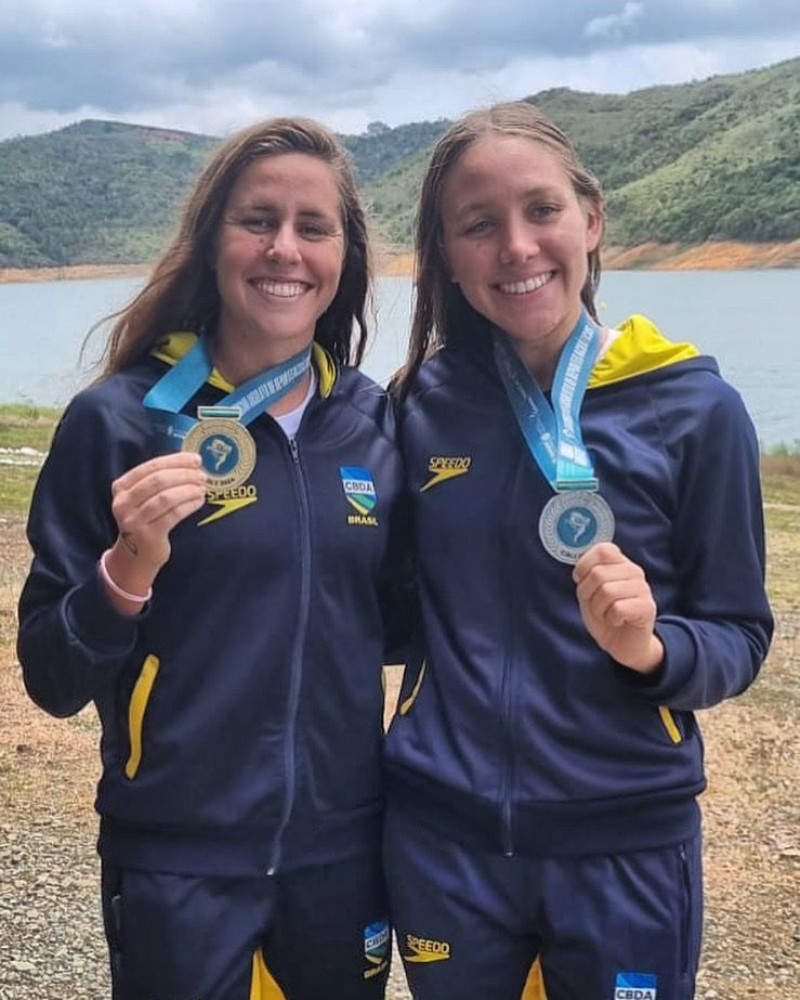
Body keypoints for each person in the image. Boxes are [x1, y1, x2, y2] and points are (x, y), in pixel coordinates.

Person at [383, 102, 773, 1000]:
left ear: (592, 221)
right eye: (478, 226)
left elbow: (740, 634)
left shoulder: (695, 409)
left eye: (542, 211)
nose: (516, 246)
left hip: (625, 841)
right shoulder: (418, 406)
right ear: (445, 255)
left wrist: (654, 647)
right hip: (446, 842)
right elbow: (385, 608)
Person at [17, 117, 408, 1000]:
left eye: (314, 226)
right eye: (256, 220)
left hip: (341, 853)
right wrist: (125, 572)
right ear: (211, 241)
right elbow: (50, 675)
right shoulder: (118, 421)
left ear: (343, 254)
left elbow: (402, 621)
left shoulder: (373, 421)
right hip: (178, 855)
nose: (285, 249)